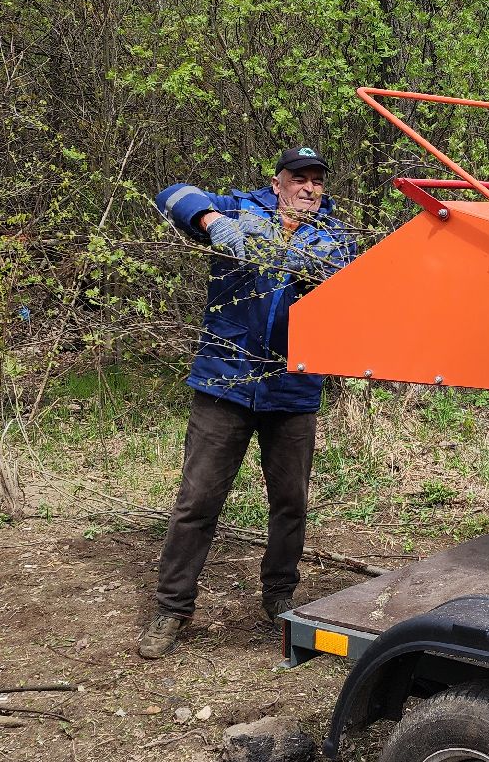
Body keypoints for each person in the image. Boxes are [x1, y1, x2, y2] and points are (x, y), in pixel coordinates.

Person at [137, 146, 358, 659]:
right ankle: (172, 608)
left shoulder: (334, 237)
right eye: (298, 178)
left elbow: (348, 286)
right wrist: (213, 221)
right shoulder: (242, 210)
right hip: (225, 385)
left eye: (317, 181)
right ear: (277, 183)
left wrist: (317, 268)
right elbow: (171, 195)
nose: (309, 188)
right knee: (198, 501)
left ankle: (279, 600)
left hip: (293, 390)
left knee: (290, 504)